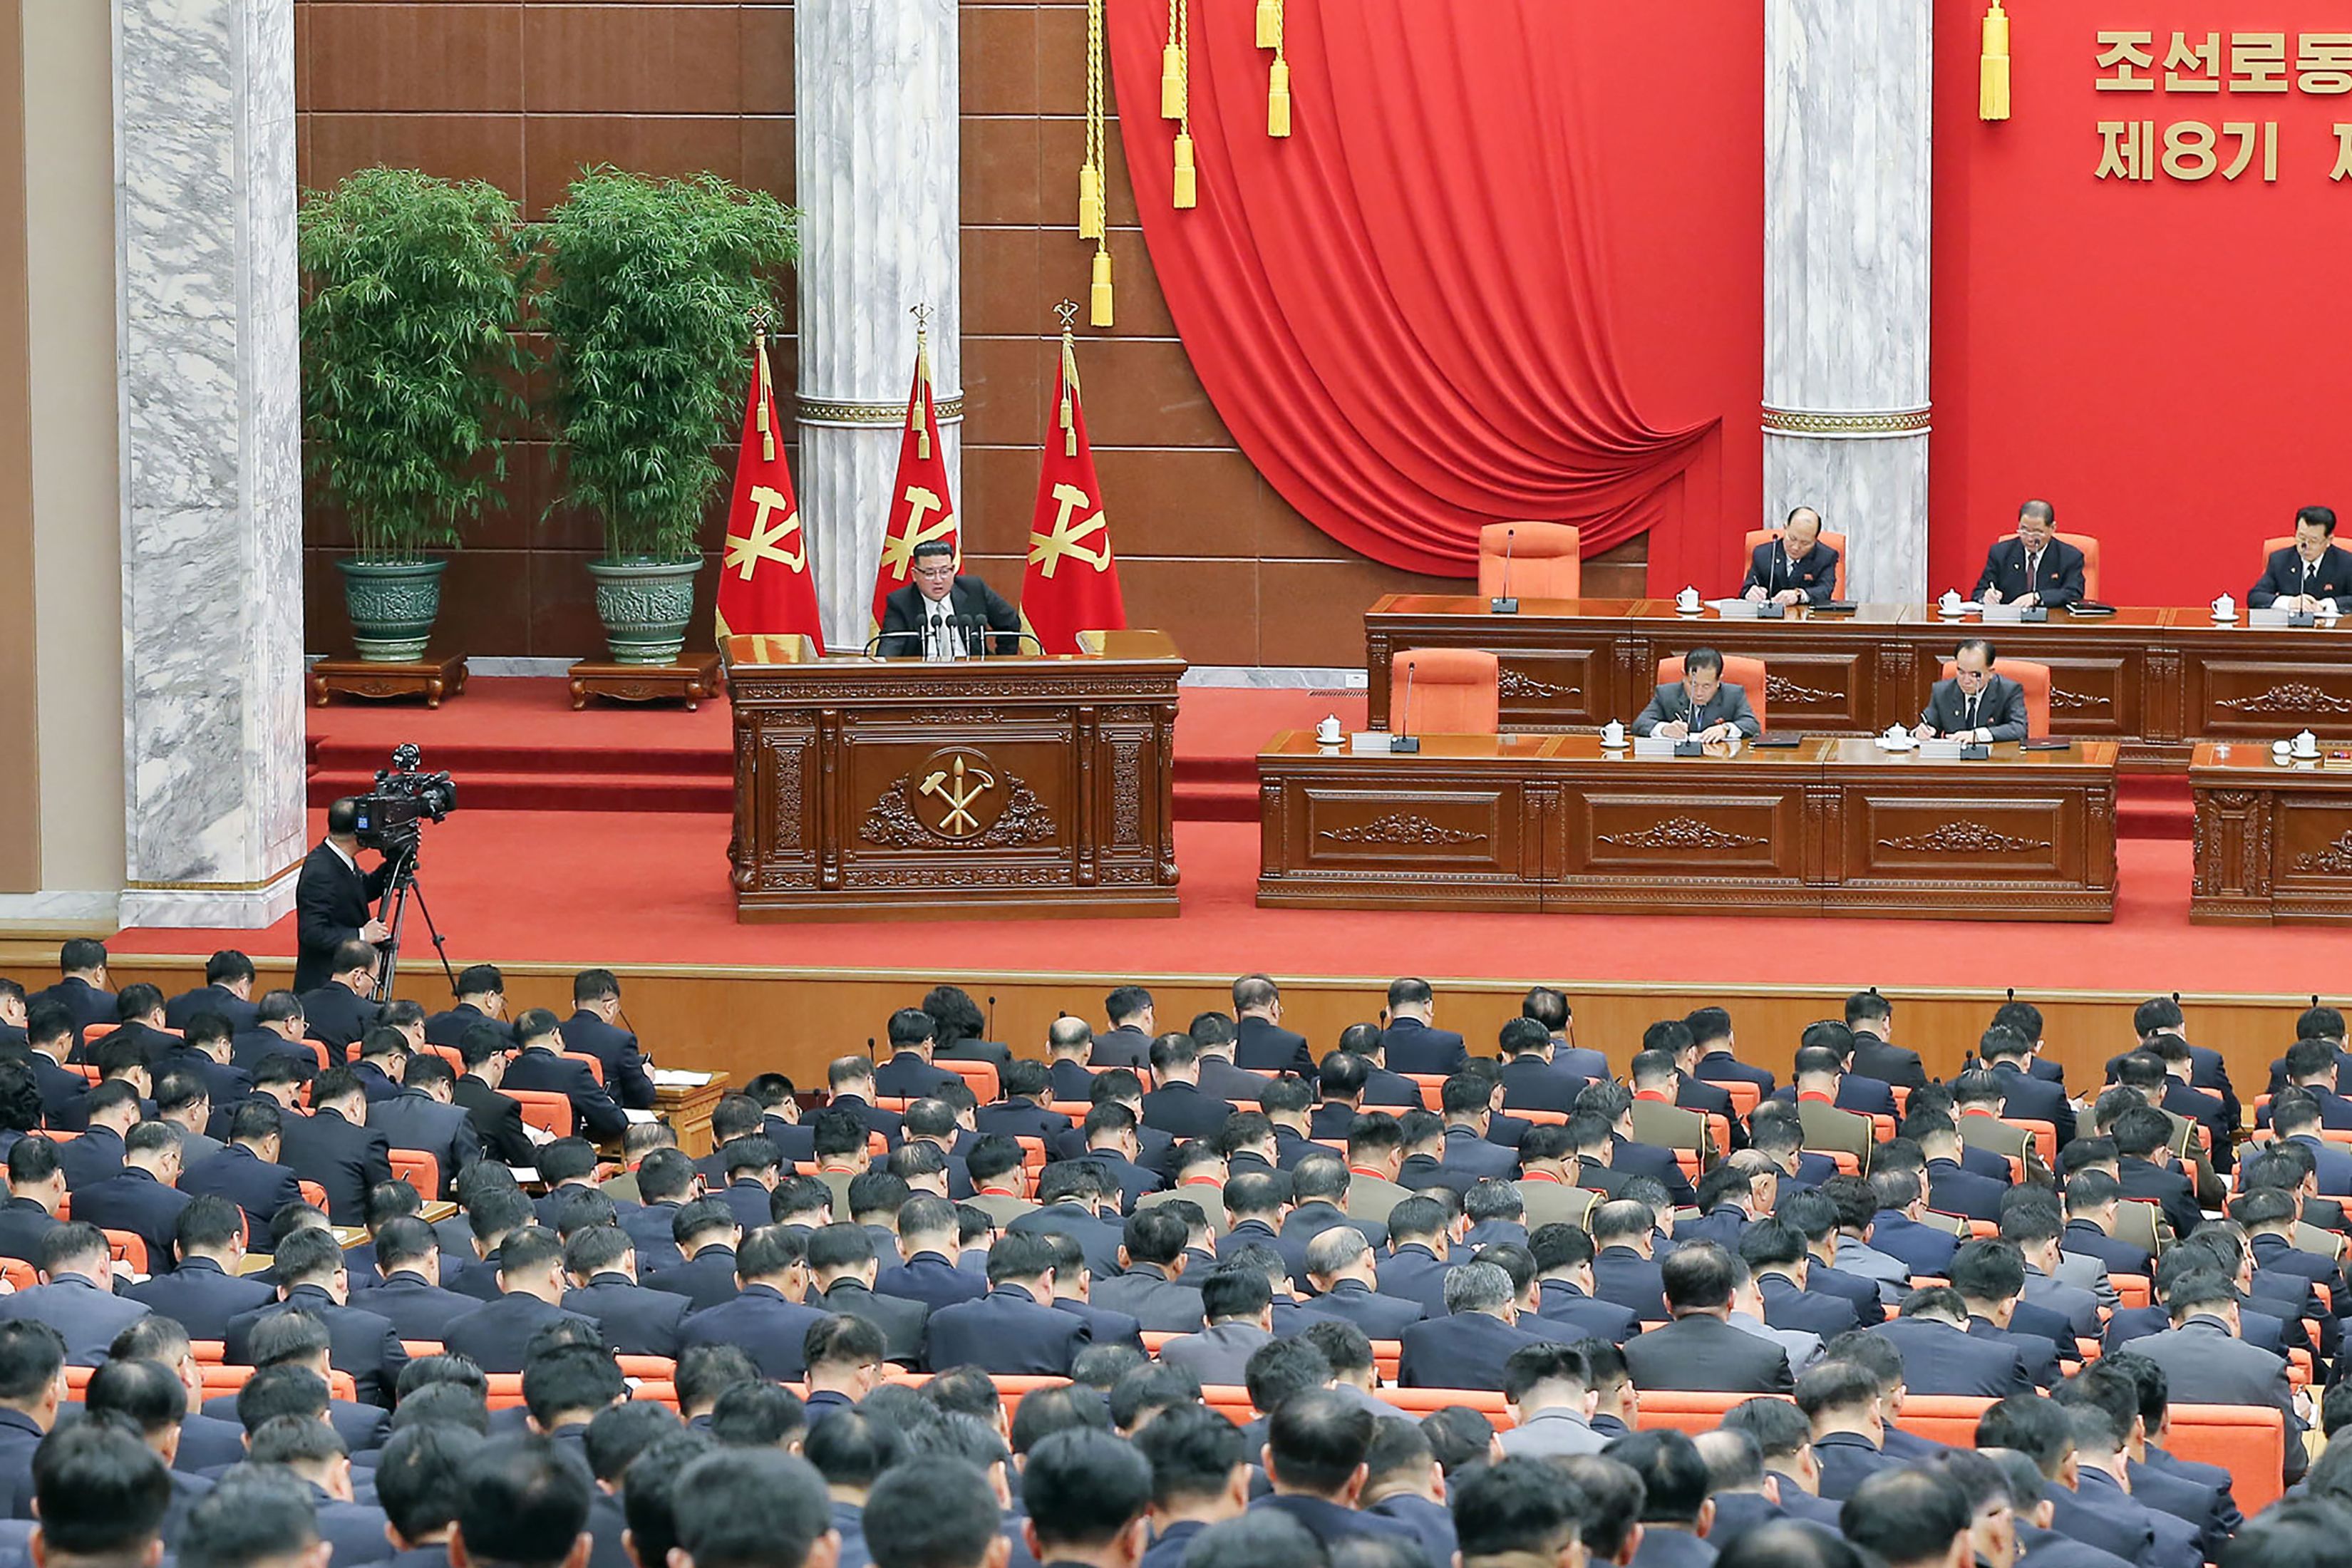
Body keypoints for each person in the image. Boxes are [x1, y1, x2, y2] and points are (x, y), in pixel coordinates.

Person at [292, 799, 394, 995]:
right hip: (323, 990)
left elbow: (360, 890)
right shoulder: (320, 871)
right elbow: (312, 933)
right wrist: (362, 935)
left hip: (343, 985)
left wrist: (394, 862)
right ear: (358, 834)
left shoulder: (338, 857)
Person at [877, 537, 1021, 659]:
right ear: (915, 575)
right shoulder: (901, 602)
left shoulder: (974, 589)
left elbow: (1010, 623)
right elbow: (890, 648)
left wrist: (1001, 663)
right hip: (922, 680)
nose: (938, 580)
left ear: (953, 570)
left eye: (944, 572)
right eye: (929, 573)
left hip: (973, 676)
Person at [1634, 647, 1761, 742]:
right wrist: (1664, 729)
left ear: (1718, 681)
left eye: (1706, 686)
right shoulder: (1667, 694)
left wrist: (1726, 729)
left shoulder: (1733, 694)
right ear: (1684, 676)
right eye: (1693, 684)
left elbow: (1752, 726)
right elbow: (1640, 724)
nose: (1698, 693)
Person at [1974, 500, 2084, 608]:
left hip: (2051, 622)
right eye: (2024, 531)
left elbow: (2074, 593)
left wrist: (2038, 597)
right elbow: (1979, 591)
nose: (2030, 539)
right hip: (2009, 622)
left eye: (2037, 532)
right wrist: (1986, 596)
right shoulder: (2001, 553)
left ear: (2052, 528)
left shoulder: (2070, 557)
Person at [1916, 638, 2028, 742]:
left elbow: (2019, 729)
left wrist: (1978, 735)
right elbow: (1928, 725)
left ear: (1990, 673)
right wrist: (1920, 732)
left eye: (1974, 675)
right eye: (1961, 672)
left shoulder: (2009, 691)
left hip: (1994, 760)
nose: (1966, 680)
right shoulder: (1942, 692)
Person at [2249, 505, 2352, 612]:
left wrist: (2325, 605)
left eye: (2313, 541)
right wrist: (2290, 603)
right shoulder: (2280, 560)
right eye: (2301, 537)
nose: (2305, 546)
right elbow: (2256, 597)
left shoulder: (2346, 563)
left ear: (2329, 540)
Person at [1744, 506, 1841, 607]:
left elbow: (1824, 590)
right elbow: (1747, 588)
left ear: (1815, 539)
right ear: (1785, 528)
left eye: (1805, 543)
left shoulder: (1826, 556)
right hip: (1770, 619)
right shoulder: (1763, 553)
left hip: (1807, 620)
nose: (1796, 547)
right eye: (1792, 538)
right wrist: (1751, 592)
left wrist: (1799, 595)